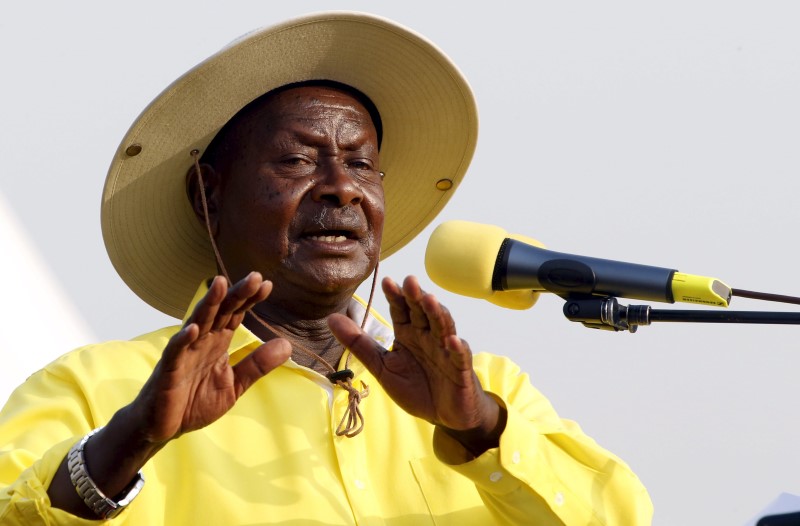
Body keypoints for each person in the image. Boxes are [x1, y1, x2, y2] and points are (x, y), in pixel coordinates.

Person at [0, 12, 653, 525]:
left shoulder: (483, 391)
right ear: (210, 195)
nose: (342, 188)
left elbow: (621, 517)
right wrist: (132, 440)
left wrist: (480, 428)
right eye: (297, 160)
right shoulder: (98, 388)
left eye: (361, 163)